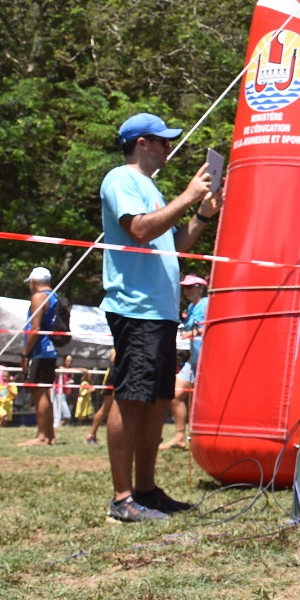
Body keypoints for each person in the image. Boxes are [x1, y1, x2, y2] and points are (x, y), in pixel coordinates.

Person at [99, 111, 222, 522]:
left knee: (155, 401)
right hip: (135, 308)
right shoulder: (121, 179)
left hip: (160, 312)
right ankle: (122, 499)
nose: (169, 147)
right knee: (132, 398)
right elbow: (139, 230)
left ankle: (146, 491)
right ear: (142, 144)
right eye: (163, 140)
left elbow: (174, 244)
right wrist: (187, 197)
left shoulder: (150, 187)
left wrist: (202, 214)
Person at [165, 274, 209, 450]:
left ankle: (202, 439)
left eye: (190, 287)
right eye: (185, 287)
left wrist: (192, 333)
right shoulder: (191, 307)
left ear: (201, 288)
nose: (186, 291)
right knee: (175, 394)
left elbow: (210, 327)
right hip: (193, 360)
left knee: (202, 402)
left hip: (208, 361)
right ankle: (180, 437)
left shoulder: (207, 303)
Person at [19, 266, 60, 446]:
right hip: (50, 349)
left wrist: (25, 353)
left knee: (38, 391)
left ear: (34, 282)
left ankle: (42, 436)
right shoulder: (55, 296)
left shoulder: (39, 297)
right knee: (45, 392)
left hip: (40, 349)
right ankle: (50, 435)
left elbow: (35, 328)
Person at [84, 348, 117, 444]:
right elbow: (113, 359)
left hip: (119, 377)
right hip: (113, 377)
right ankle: (91, 435)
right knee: (106, 407)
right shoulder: (118, 346)